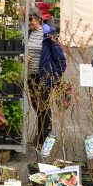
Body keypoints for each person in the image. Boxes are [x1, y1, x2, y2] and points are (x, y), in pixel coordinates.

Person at [27, 10, 66, 147]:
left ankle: (45, 136)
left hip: (44, 75)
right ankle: (41, 134)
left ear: (38, 19)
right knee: (36, 105)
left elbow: (59, 56)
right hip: (30, 75)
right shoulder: (28, 33)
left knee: (44, 105)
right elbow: (24, 50)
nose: (29, 23)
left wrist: (58, 76)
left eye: (30, 20)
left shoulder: (49, 34)